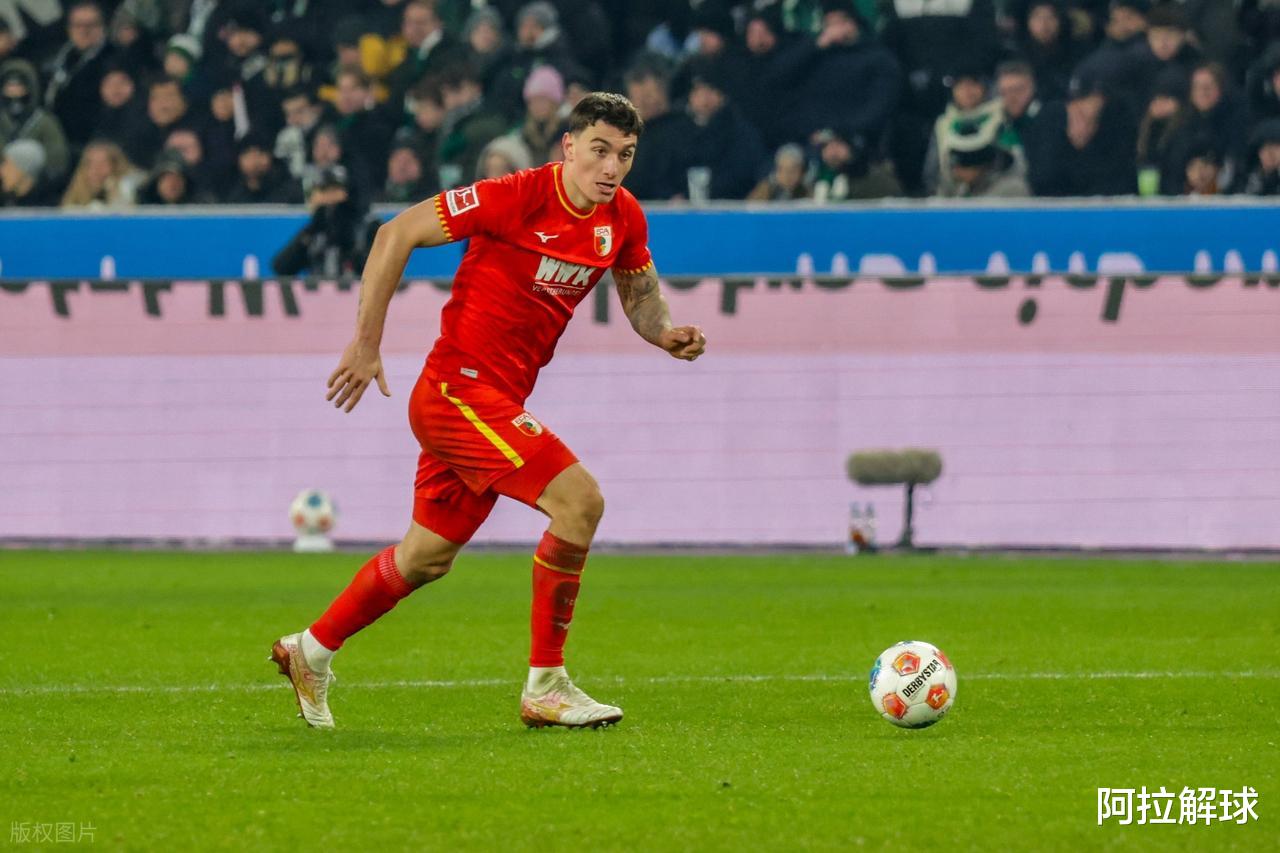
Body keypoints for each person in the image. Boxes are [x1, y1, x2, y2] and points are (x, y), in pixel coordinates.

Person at [270, 92, 707, 730]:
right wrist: (366, 344)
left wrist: (664, 332)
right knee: (580, 502)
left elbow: (640, 295)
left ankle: (309, 651)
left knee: (425, 557)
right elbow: (396, 234)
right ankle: (547, 685)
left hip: (495, 401)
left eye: (625, 154)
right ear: (569, 147)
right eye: (600, 150)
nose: (612, 167)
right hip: (458, 392)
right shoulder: (516, 195)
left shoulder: (624, 217)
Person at [270, 164, 381, 275]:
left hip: (357, 285)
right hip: (321, 285)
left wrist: (350, 249)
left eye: (335, 189)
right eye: (324, 190)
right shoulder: (317, 229)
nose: (329, 196)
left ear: (347, 192)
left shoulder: (368, 225)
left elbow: (378, 271)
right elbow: (281, 267)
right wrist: (310, 232)